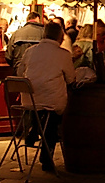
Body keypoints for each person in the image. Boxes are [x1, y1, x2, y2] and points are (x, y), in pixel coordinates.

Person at [20, 21, 75, 173]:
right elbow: (71, 79)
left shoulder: (30, 51)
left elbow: (19, 73)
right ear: (60, 37)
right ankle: (46, 155)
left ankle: (35, 128)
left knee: (40, 109)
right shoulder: (63, 54)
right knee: (52, 118)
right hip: (52, 101)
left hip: (29, 100)